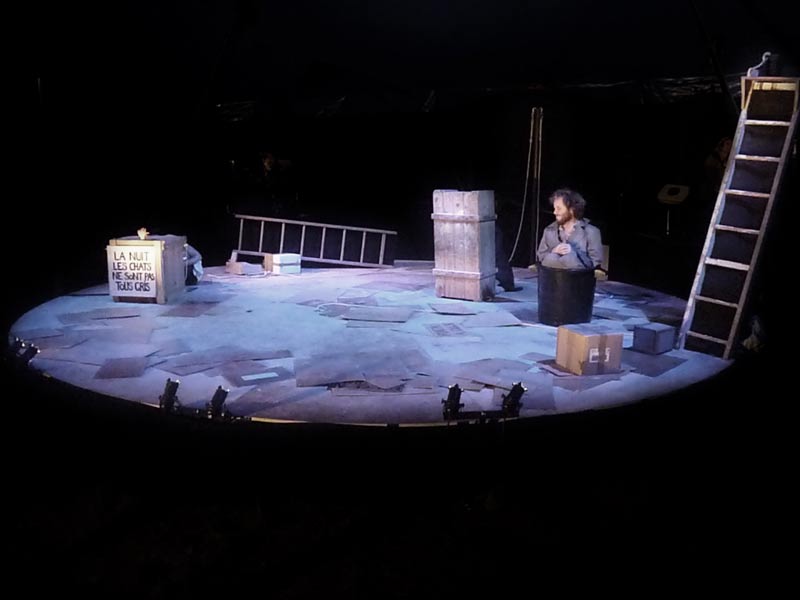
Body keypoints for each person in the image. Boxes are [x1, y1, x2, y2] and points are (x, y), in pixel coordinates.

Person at [536, 188, 603, 270]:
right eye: (554, 208)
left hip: (578, 277)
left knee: (568, 257)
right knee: (552, 257)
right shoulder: (549, 230)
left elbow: (595, 263)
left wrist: (574, 252)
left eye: (559, 208)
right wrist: (553, 251)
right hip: (551, 276)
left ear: (571, 210)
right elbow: (540, 256)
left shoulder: (591, 232)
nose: (555, 212)